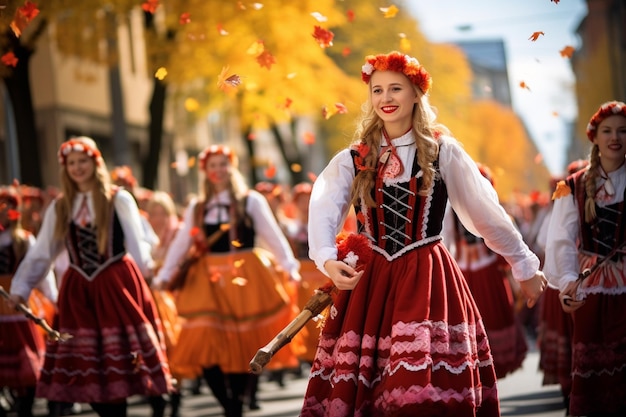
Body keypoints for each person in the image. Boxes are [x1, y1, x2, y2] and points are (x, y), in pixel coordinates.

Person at [300, 51, 546, 417]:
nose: (386, 98)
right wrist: (326, 257)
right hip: (371, 285)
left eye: (396, 88)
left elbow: (485, 216)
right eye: (377, 90)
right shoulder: (353, 158)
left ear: (416, 93)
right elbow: (324, 208)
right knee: (373, 390)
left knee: (419, 393)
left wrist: (524, 266)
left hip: (427, 279)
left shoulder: (442, 151)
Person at [6, 136, 173, 417]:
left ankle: (150, 407)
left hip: (116, 286)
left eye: (82, 161)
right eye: (71, 163)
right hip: (79, 292)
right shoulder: (61, 206)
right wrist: (21, 288)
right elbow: (42, 253)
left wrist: (151, 274)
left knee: (125, 363)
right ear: (65, 168)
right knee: (88, 370)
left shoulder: (118, 198)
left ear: (95, 163)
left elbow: (136, 242)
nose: (77, 167)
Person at [152, 144, 302, 417]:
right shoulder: (198, 206)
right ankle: (230, 405)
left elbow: (272, 236)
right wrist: (164, 274)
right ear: (205, 172)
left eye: (224, 164)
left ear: (231, 166)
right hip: (208, 280)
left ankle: (238, 404)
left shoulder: (250, 200)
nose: (219, 170)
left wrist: (289, 266)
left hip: (246, 274)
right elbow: (182, 242)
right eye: (213, 166)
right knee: (203, 343)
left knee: (246, 344)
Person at [544, 100, 626, 416]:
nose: (615, 137)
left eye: (622, 130)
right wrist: (566, 283)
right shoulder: (573, 187)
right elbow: (560, 242)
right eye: (607, 130)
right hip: (592, 290)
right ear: (595, 137)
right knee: (598, 381)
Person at [442, 163, 528, 379]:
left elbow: (506, 238)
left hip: (488, 271)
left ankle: (491, 372)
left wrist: (517, 275)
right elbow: (447, 240)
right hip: (466, 272)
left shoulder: (491, 208)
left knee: (492, 318)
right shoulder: (451, 208)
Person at [0, 185, 57, 417]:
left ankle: (26, 405)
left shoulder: (24, 239)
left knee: (26, 358)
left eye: (8, 208)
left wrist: (53, 298)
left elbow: (41, 270)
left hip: (18, 301)